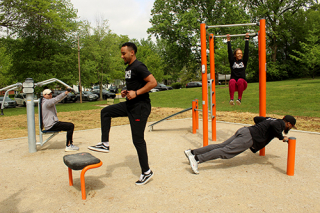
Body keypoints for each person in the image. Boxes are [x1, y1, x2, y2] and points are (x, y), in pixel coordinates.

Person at [88, 42, 157, 185]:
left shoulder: (139, 66)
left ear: (132, 52)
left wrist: (136, 93)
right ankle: (104, 143)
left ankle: (146, 172)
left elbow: (153, 82)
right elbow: (135, 85)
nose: (121, 56)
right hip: (130, 105)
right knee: (106, 111)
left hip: (140, 107)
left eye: (123, 53)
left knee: (138, 140)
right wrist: (127, 91)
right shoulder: (129, 68)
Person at [184, 115, 297, 174]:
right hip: (249, 137)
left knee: (221, 146)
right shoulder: (279, 124)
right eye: (291, 126)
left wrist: (260, 128)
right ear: (288, 123)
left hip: (245, 131)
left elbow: (257, 119)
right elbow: (273, 126)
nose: (290, 128)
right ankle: (197, 159)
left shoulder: (271, 119)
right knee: (226, 151)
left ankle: (192, 152)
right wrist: (282, 137)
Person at [227, 33, 250, 105]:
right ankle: (231, 99)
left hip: (242, 84)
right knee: (232, 81)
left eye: (241, 53)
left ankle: (239, 99)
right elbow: (229, 52)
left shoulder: (244, 61)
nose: (240, 54)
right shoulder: (232, 61)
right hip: (234, 85)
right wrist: (228, 41)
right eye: (238, 53)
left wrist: (247, 40)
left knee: (240, 80)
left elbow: (247, 52)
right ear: (235, 55)